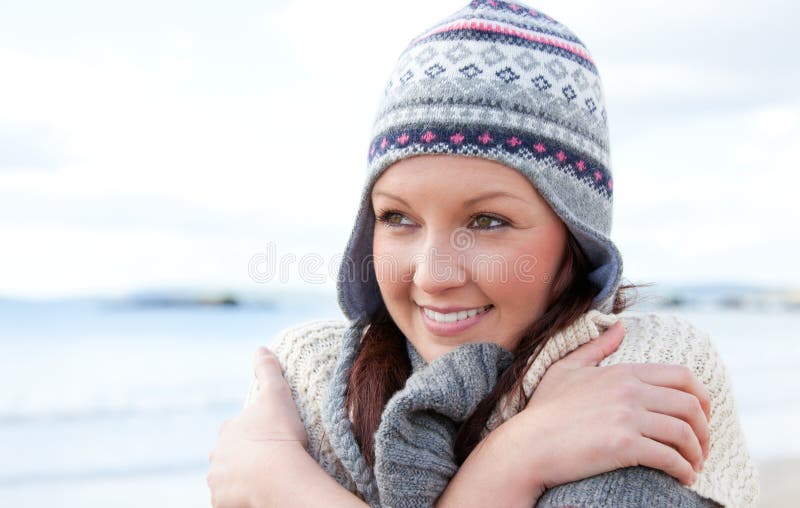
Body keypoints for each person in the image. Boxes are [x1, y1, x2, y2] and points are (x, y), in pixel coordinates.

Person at [207, 1, 759, 506]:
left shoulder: (645, 373)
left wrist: (287, 486)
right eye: (397, 217)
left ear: (575, 236)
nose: (433, 274)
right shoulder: (308, 377)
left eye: (488, 221)